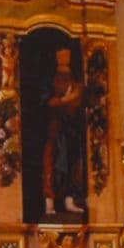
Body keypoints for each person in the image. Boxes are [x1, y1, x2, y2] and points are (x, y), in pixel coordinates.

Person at [42, 48, 86, 215]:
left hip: (72, 129)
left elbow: (81, 99)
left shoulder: (75, 80)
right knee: (52, 162)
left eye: (67, 55)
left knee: (74, 164)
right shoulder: (50, 80)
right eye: (61, 55)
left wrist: (75, 98)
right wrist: (66, 99)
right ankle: (49, 202)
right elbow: (46, 102)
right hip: (54, 129)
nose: (65, 58)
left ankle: (70, 199)